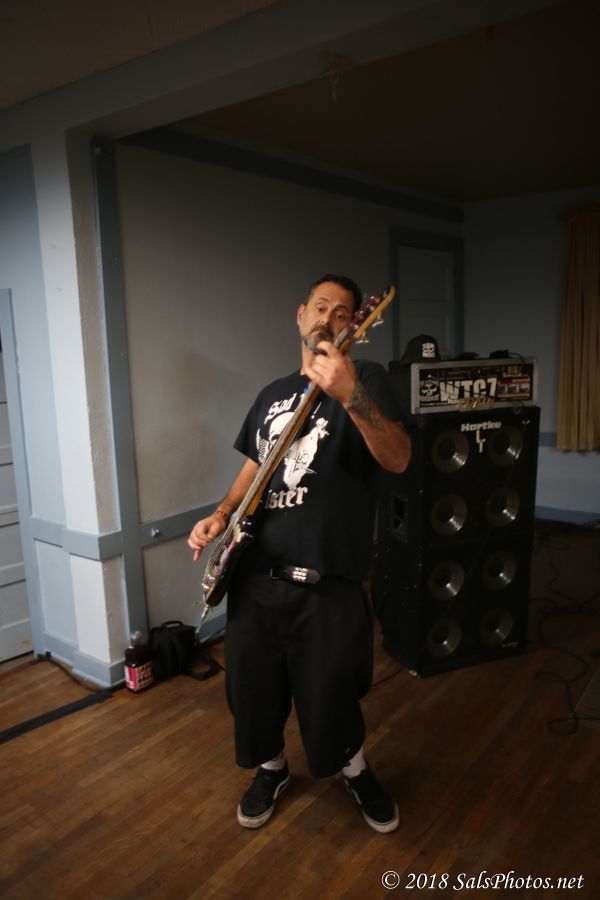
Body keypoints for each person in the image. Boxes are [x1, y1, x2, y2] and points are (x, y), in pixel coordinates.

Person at [188, 274, 411, 833]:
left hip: (326, 581)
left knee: (331, 695)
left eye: (342, 312)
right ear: (300, 314)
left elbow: (399, 457)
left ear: (357, 323)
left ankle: (355, 771)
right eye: (320, 306)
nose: (328, 318)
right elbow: (255, 464)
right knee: (252, 693)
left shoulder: (368, 379)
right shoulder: (271, 393)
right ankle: (272, 769)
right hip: (254, 578)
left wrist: (349, 393)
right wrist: (222, 514)